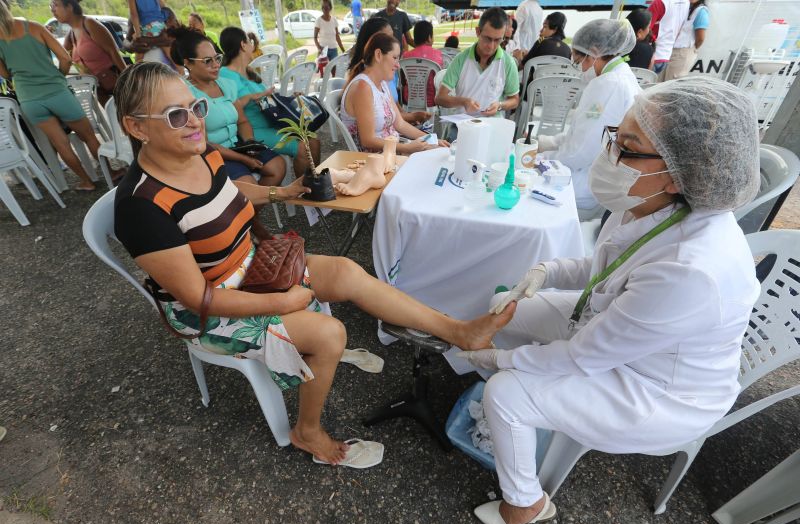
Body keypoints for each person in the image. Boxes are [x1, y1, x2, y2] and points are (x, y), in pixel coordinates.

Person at [113, 61, 513, 466]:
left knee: (344, 270)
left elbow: (228, 188)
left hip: (249, 265)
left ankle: (459, 332)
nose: (195, 122)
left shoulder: (199, 153)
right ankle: (307, 432)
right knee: (329, 334)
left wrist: (282, 193)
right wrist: (282, 303)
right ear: (137, 127)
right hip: (208, 311)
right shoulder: (140, 207)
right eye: (175, 115)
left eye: (196, 107)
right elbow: (199, 298)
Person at [458, 76, 761, 524]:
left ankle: (525, 504)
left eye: (628, 146)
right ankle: (525, 417)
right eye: (614, 138)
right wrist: (549, 272)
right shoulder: (647, 199)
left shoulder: (691, 269)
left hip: (659, 389)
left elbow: (584, 356)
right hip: (616, 332)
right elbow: (603, 264)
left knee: (508, 392)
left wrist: (502, 360)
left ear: (682, 172)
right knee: (506, 306)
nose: (610, 156)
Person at [170, 25, 286, 241]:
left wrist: (251, 143)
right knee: (249, 187)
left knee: (277, 167)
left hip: (237, 145)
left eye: (217, 58)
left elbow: (242, 120)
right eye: (207, 61)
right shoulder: (188, 95)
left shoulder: (225, 83)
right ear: (187, 63)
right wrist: (243, 158)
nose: (215, 65)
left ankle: (240, 222)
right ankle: (261, 235)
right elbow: (203, 143)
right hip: (210, 154)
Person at [537, 19, 640, 221]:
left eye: (578, 61)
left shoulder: (608, 85)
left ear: (593, 53)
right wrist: (545, 143)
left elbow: (579, 152)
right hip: (594, 173)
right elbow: (582, 133)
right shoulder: (620, 77)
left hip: (587, 184)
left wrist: (543, 158)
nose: (580, 69)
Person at [0, 0, 101, 191]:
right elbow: (65, 58)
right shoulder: (34, 28)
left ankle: (86, 182)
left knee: (60, 143)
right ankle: (110, 174)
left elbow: (5, 74)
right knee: (88, 136)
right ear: (7, 8)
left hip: (29, 99)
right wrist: (58, 76)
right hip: (56, 91)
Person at [218, 26, 321, 178]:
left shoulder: (249, 71)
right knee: (303, 146)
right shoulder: (225, 75)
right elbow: (228, 108)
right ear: (243, 45)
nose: (253, 45)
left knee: (313, 139)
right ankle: (304, 192)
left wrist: (290, 98)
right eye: (249, 41)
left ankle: (316, 184)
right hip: (252, 130)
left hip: (271, 121)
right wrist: (252, 97)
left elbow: (266, 98)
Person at [342, 33, 447, 154]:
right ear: (378, 55)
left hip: (391, 152)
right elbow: (368, 140)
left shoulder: (381, 84)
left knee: (440, 153)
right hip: (374, 161)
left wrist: (433, 140)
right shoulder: (363, 87)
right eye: (395, 57)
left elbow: (400, 124)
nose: (398, 65)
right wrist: (407, 148)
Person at [435, 8, 520, 117]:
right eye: (487, 39)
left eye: (497, 40)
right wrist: (463, 102)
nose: (491, 46)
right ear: (478, 32)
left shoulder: (508, 62)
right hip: (463, 123)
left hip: (492, 124)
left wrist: (499, 105)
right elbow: (440, 98)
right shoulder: (461, 59)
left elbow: (514, 100)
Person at [348, 17, 429, 124]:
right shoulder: (365, 83)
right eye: (387, 37)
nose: (393, 41)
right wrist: (411, 117)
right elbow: (377, 126)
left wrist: (410, 117)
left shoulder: (384, 74)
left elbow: (393, 106)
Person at [51, 0, 127, 105]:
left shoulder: (90, 24)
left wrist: (129, 80)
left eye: (55, 5)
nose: (52, 10)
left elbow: (113, 52)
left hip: (115, 85)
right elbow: (64, 59)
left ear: (69, 7)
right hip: (96, 90)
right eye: (51, 6)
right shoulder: (71, 34)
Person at [519, 11, 570, 93]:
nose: (541, 30)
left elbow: (522, 65)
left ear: (555, 29)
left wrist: (518, 58)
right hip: (555, 94)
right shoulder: (567, 49)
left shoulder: (541, 41)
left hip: (532, 93)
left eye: (545, 27)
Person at [663, 0, 709, 80]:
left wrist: (690, 49)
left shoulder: (701, 11)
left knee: (670, 84)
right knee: (658, 84)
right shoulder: (685, 7)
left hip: (683, 52)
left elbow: (700, 38)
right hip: (670, 50)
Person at [402, 20, 442, 107]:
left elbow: (402, 81)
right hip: (432, 102)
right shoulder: (439, 55)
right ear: (429, 37)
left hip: (409, 100)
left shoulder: (405, 56)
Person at [648, 0, 689, 77]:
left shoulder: (659, 3)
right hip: (666, 56)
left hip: (652, 56)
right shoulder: (687, 3)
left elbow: (645, 29)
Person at [128, 0, 174, 68]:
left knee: (138, 58)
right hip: (160, 24)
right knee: (169, 53)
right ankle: (181, 71)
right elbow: (163, 7)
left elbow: (134, 15)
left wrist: (138, 33)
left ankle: (136, 72)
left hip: (147, 27)